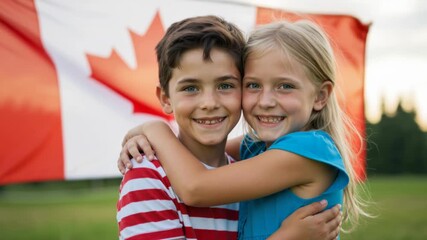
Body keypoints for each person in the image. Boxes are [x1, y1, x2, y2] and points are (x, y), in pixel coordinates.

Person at [117, 16, 342, 240]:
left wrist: (156, 129)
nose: (265, 101)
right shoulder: (253, 153)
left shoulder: (308, 152)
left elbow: (196, 187)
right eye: (254, 85)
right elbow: (216, 154)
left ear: (320, 96)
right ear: (165, 98)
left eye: (225, 85)